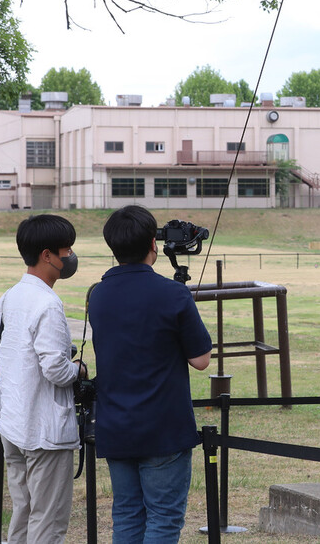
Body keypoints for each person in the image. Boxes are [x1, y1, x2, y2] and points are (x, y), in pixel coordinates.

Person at [88, 205, 212, 543]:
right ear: (153, 244)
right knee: (164, 519)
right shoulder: (172, 293)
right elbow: (201, 359)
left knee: (127, 516)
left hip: (116, 425)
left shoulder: (97, 295)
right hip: (163, 427)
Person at [0, 214, 86, 544]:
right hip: (44, 432)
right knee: (48, 519)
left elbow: (5, 353)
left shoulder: (9, 296)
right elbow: (56, 370)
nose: (70, 257)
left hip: (13, 425)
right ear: (47, 256)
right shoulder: (48, 303)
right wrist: (80, 370)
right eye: (66, 250)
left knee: (24, 512)